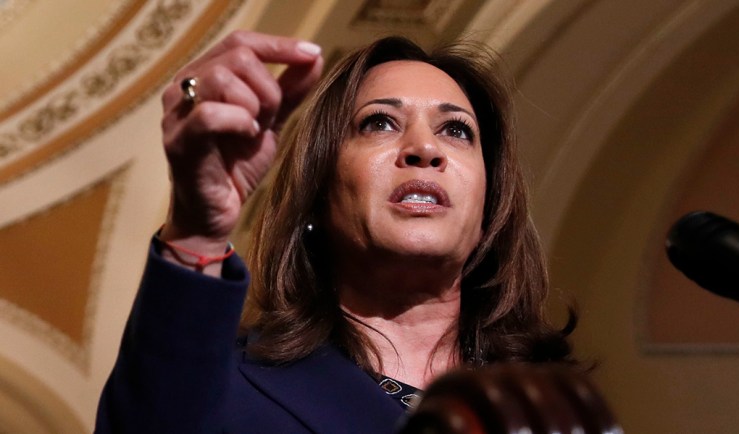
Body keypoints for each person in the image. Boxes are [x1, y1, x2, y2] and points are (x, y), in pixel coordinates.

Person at [95, 30, 575, 433]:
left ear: (489, 208)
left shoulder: (552, 408)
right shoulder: (226, 390)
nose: (425, 147)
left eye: (456, 131)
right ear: (318, 197)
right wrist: (198, 230)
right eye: (380, 123)